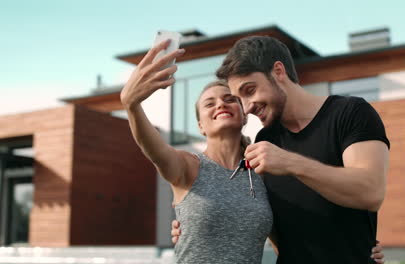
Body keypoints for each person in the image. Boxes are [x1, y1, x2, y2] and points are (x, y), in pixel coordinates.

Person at [172, 35, 390, 264]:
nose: (247, 107)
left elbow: (371, 192)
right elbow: (259, 215)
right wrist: (191, 223)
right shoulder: (265, 139)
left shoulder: (350, 113)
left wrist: (290, 162)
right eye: (239, 99)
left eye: (250, 90)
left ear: (278, 71)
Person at [120, 39, 273, 264]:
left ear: (244, 115)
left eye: (229, 99)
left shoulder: (261, 172)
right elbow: (152, 147)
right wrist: (131, 106)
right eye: (209, 104)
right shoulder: (188, 166)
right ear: (200, 125)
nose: (221, 104)